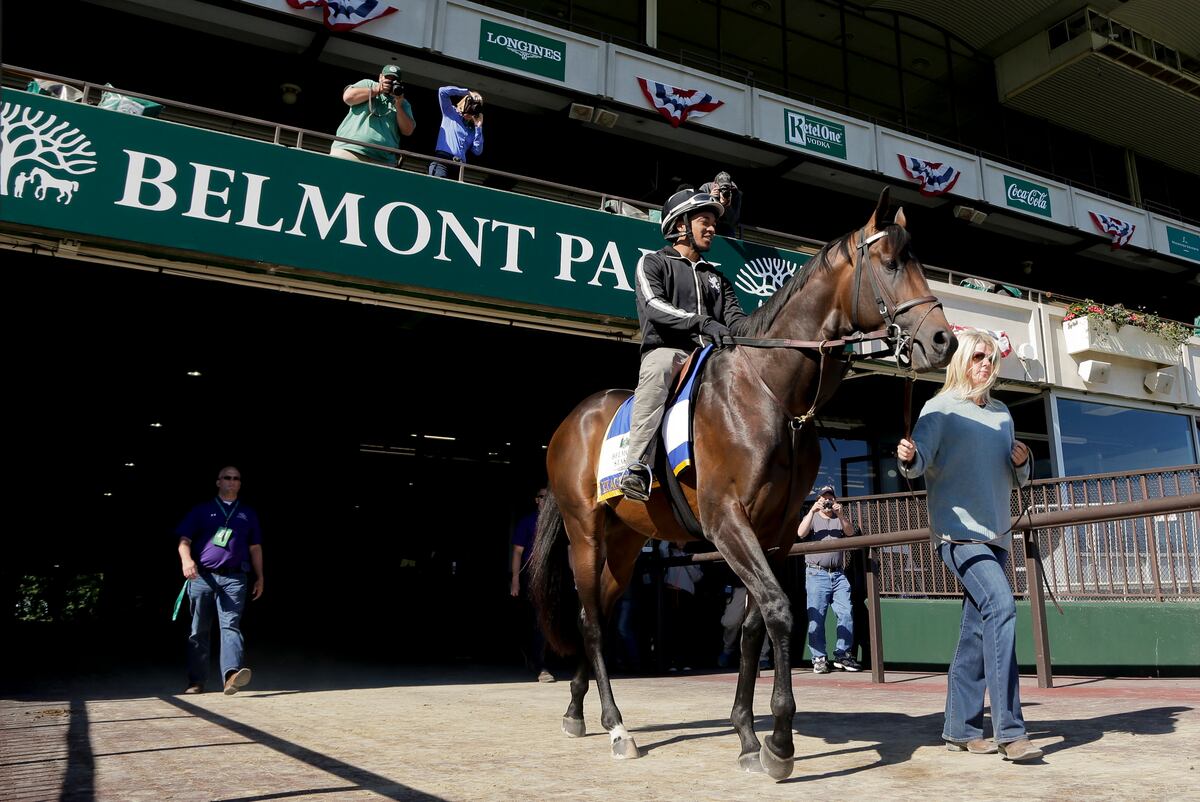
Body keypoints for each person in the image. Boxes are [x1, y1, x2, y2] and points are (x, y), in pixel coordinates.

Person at [896, 329, 1043, 763]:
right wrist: (907, 458)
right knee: (1002, 607)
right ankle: (1011, 731)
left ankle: (960, 727)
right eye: (979, 356)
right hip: (956, 535)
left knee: (977, 631)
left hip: (997, 535)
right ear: (961, 359)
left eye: (993, 359)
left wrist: (1023, 462)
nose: (987, 364)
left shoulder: (1002, 414)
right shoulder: (939, 409)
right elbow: (918, 461)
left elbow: (1016, 478)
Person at [617, 188, 747, 501]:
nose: (713, 228)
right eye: (706, 220)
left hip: (712, 357)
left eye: (714, 222)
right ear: (680, 226)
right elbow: (653, 306)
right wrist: (701, 322)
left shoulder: (718, 278)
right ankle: (636, 467)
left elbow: (739, 322)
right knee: (661, 368)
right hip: (668, 352)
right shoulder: (652, 262)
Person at [175, 466, 263, 695]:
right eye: (227, 478)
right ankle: (196, 681)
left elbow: (255, 547)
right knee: (199, 630)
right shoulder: (202, 510)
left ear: (240, 483)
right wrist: (186, 561)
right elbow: (184, 540)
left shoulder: (247, 513)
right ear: (218, 482)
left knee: (231, 626)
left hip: (235, 577)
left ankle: (231, 677)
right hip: (202, 576)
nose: (232, 482)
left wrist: (260, 576)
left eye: (236, 478)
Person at [797, 485, 861, 674]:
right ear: (818, 500)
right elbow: (800, 533)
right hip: (816, 573)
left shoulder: (839, 518)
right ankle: (819, 658)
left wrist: (840, 515)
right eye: (824, 499)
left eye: (830, 499)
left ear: (835, 501)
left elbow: (850, 533)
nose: (827, 502)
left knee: (846, 612)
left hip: (839, 574)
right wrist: (811, 511)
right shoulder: (813, 517)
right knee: (817, 617)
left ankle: (843, 654)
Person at [330, 64, 416, 166]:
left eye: (393, 80)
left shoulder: (403, 103)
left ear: (399, 83)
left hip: (383, 160)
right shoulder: (368, 84)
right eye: (387, 78)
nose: (389, 82)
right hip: (349, 150)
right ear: (380, 77)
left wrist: (398, 104)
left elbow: (408, 131)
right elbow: (348, 97)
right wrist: (377, 90)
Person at [511, 488, 554, 682]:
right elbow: (518, 552)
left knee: (547, 620)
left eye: (549, 498)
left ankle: (541, 661)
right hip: (531, 576)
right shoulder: (528, 521)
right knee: (536, 619)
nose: (546, 501)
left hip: (552, 576)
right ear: (537, 500)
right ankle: (539, 664)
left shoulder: (556, 523)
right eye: (543, 497)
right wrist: (515, 580)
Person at [428, 86, 484, 178]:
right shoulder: (450, 112)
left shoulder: (473, 129)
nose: (470, 112)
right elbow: (442, 91)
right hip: (443, 161)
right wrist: (467, 92)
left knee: (452, 192)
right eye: (470, 105)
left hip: (459, 167)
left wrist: (478, 127)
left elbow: (477, 151)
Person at [698, 171, 743, 238]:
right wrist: (709, 198)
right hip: (707, 222)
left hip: (725, 227)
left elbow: (734, 221)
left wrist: (727, 206)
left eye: (726, 188)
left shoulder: (735, 193)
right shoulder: (705, 188)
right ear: (715, 184)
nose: (724, 191)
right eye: (722, 188)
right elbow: (697, 211)